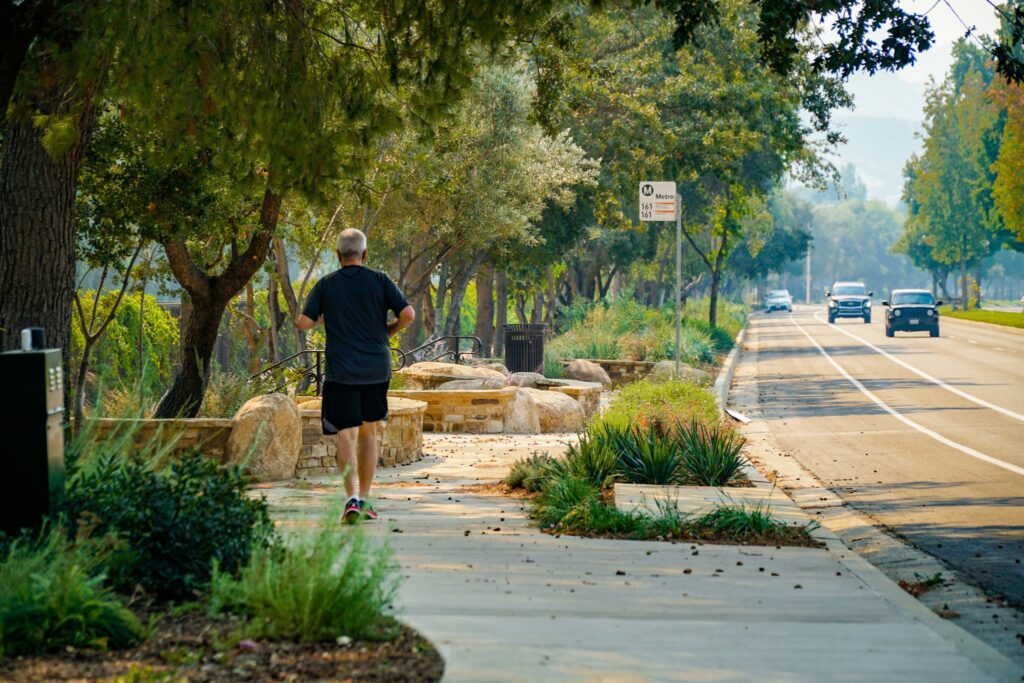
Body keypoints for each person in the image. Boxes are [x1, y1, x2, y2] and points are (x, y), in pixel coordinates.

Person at [296, 228, 415, 523]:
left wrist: (321, 319)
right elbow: (408, 314)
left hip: (341, 370)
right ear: (364, 254)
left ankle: (350, 500)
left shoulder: (326, 284)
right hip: (376, 367)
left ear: (338, 256)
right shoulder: (380, 281)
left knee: (345, 435)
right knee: (368, 433)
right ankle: (364, 499)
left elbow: (302, 322)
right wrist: (389, 330)